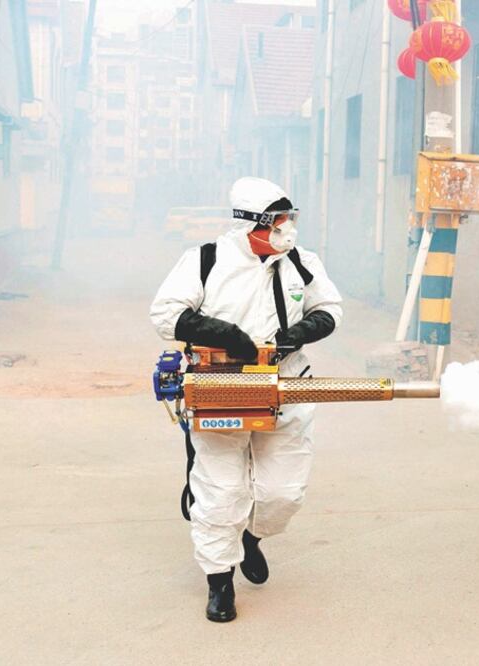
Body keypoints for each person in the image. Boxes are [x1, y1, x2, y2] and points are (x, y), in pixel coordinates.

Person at [149, 177, 343, 622]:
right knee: (221, 490)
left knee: (284, 492)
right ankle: (220, 582)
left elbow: (329, 310)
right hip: (222, 391)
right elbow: (165, 314)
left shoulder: (301, 263)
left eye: (289, 220)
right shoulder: (206, 261)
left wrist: (298, 334)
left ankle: (253, 535)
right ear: (252, 224)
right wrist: (225, 335)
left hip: (287, 386)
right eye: (277, 222)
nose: (286, 229)